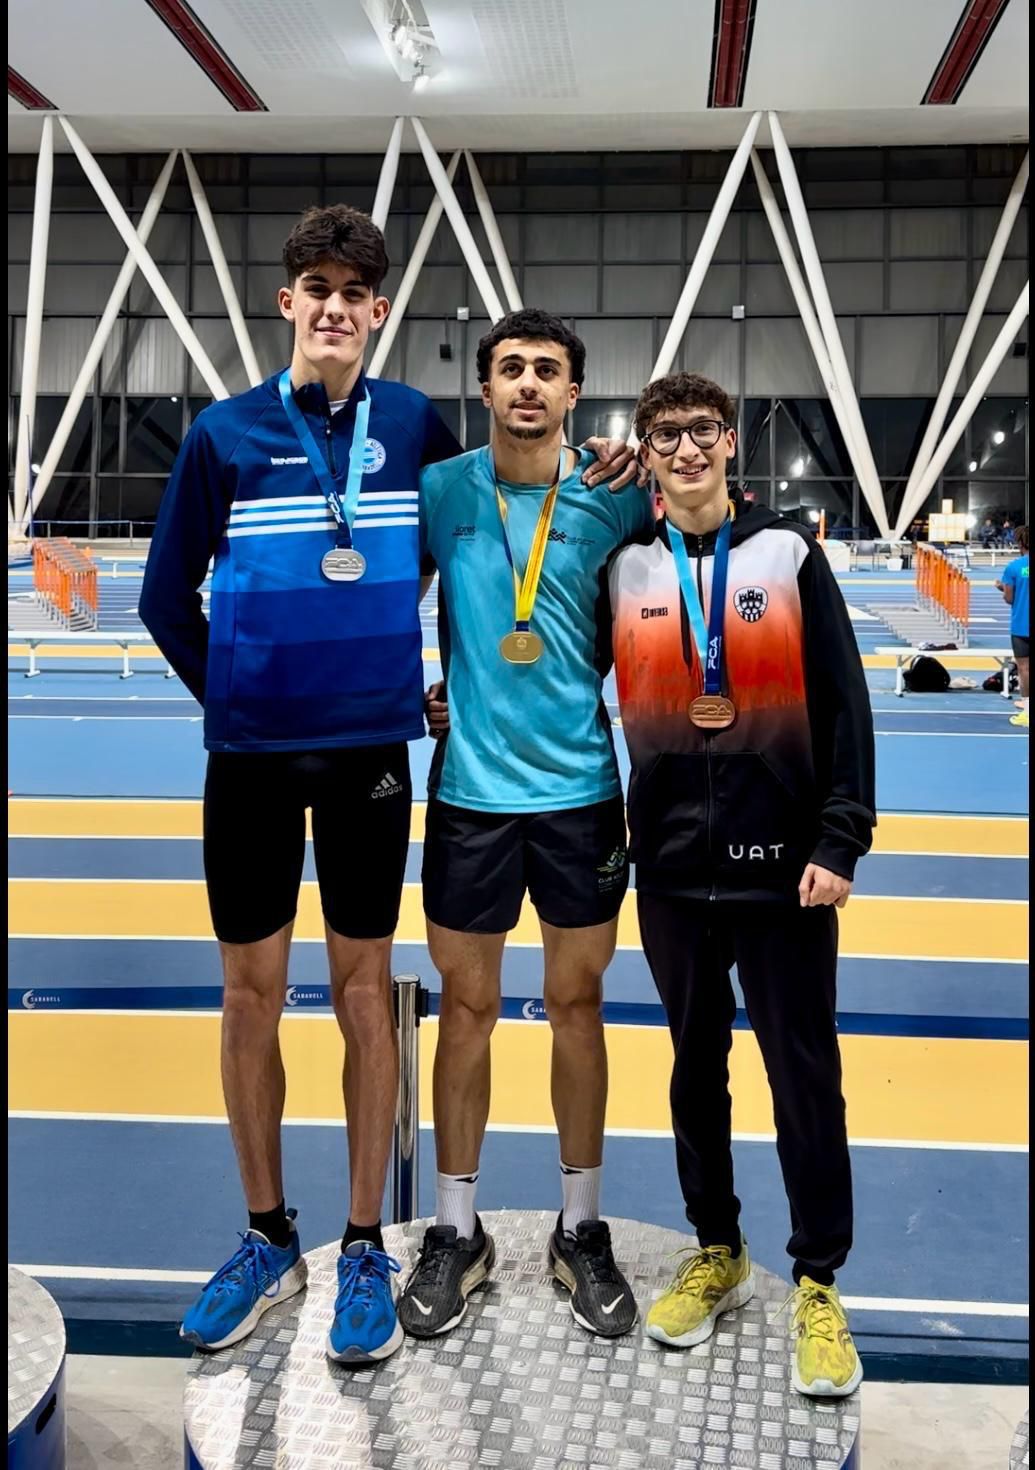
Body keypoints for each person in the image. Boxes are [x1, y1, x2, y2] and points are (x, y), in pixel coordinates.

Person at [138, 208, 636, 1366]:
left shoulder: (410, 426)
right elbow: (167, 599)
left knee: (366, 996)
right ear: (287, 304)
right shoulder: (222, 434)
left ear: (378, 312)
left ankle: (366, 1242)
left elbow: (496, 518)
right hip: (250, 761)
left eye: (352, 292)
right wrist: (238, 696)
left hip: (371, 755)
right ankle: (268, 1236)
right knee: (250, 996)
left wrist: (614, 460)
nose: (332, 307)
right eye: (313, 287)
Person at [608, 371, 875, 1399]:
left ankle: (817, 1282)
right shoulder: (627, 565)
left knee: (803, 1076)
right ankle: (715, 1248)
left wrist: (840, 839)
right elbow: (557, 676)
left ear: (729, 444)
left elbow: (845, 705)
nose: (685, 449)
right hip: (672, 872)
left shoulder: (788, 554)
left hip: (784, 871)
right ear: (646, 452)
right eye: (665, 434)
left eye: (702, 430)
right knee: (694, 1069)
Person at [396, 309, 655, 1342]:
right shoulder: (440, 490)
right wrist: (408, 692)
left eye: (548, 370)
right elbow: (371, 596)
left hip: (582, 792)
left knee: (577, 1003)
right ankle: (455, 1232)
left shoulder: (612, 494)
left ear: (573, 393)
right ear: (487, 388)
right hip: (469, 795)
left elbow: (690, 565)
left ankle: (579, 1228)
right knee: (466, 1009)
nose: (529, 385)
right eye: (511, 369)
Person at [996, 524, 1029, 728]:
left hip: (1021, 625)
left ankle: (1028, 712)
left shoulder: (1014, 567)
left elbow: (1009, 599)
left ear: (1020, 543)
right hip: (1021, 625)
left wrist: (1002, 587)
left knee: (1024, 669)